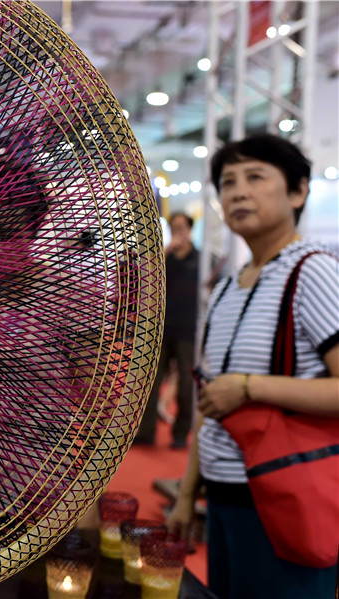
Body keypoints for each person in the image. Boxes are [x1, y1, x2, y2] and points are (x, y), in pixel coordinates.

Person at [166, 134, 339, 598]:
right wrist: (187, 495)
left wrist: (248, 387)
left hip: (288, 495)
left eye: (255, 177)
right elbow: (210, 403)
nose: (238, 192)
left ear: (298, 192)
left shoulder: (313, 272)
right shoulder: (227, 288)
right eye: (227, 182)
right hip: (224, 496)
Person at [135, 212, 198, 448]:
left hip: (188, 331)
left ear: (190, 229)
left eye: (182, 227)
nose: (178, 232)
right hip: (161, 329)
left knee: (186, 385)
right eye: (174, 228)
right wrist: (166, 251)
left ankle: (181, 433)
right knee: (151, 381)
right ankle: (146, 431)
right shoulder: (164, 258)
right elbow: (146, 279)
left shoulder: (200, 259)